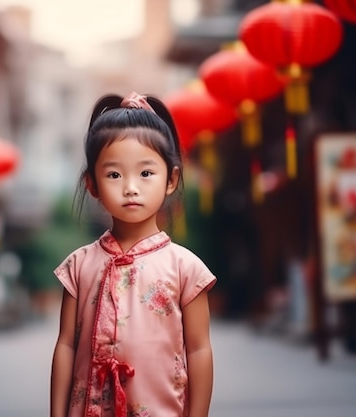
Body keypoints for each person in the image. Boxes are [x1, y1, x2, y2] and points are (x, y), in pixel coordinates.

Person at [50, 92, 216, 417]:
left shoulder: (185, 268)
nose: (130, 187)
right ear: (92, 185)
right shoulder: (78, 266)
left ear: (172, 179)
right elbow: (66, 345)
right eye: (114, 174)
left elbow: (199, 350)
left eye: (146, 173)